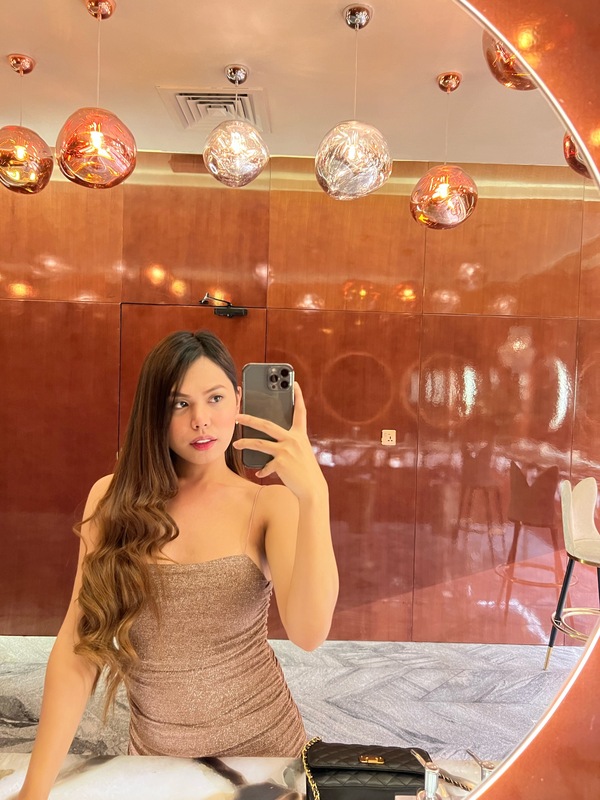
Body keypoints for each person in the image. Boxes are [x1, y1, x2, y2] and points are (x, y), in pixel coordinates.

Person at [17, 329, 339, 800]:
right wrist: (34, 790)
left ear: (238, 399)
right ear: (155, 412)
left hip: (263, 754)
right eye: (179, 404)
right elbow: (79, 649)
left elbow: (310, 634)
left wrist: (314, 496)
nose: (201, 420)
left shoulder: (270, 506)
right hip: (157, 759)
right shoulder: (112, 500)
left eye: (215, 398)